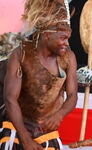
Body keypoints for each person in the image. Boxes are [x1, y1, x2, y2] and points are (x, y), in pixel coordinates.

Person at [0, 0, 78, 149]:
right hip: (17, 129)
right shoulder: (21, 54)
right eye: (63, 38)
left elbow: (73, 95)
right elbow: (10, 99)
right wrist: (25, 138)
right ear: (47, 35)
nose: (67, 43)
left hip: (46, 133)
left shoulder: (69, 57)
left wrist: (59, 114)